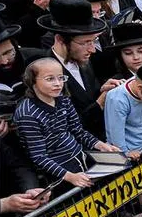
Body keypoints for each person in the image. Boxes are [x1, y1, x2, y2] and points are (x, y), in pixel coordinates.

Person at [14, 57, 121, 189]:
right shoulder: (27, 114)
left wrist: (101, 145)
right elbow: (39, 157)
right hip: (58, 170)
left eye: (61, 78)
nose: (58, 83)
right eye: (50, 79)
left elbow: (77, 130)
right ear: (32, 81)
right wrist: (70, 176)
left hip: (79, 155)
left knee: (119, 165)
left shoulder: (63, 99)